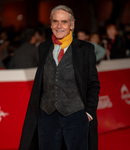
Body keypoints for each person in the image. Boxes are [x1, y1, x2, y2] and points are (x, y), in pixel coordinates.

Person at [19, 5, 100, 150]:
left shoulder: (86, 49)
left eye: (64, 22)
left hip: (76, 116)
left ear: (72, 24)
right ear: (50, 25)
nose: (59, 26)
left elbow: (93, 84)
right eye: (55, 21)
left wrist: (88, 112)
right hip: (47, 116)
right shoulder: (43, 47)